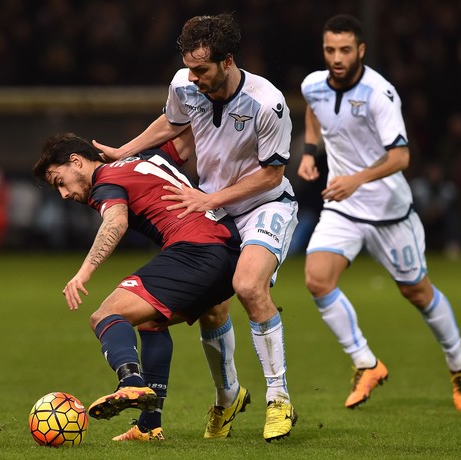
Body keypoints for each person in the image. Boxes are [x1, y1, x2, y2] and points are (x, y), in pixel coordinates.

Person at [93, 13, 298, 441]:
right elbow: (171, 121)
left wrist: (211, 198)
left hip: (264, 205)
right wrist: (123, 152)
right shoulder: (184, 84)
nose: (193, 76)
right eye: (189, 66)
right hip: (214, 205)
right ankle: (228, 399)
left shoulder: (267, 102)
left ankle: (279, 400)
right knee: (210, 304)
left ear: (227, 61)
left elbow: (272, 175)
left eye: (202, 69)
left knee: (247, 285)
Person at [297, 14, 461, 412]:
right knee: (317, 279)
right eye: (330, 50)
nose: (337, 58)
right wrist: (311, 154)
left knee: (416, 290)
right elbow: (313, 113)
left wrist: (357, 179)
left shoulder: (380, 94)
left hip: (389, 211)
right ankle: (366, 362)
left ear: (361, 50)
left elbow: (400, 157)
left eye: (345, 50)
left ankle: (458, 360)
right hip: (343, 207)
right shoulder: (313, 85)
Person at [31, 132, 242, 441]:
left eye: (59, 181)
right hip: (229, 249)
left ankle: (130, 380)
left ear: (76, 162)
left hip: (196, 249)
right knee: (151, 323)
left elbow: (115, 221)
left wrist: (83, 273)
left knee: (105, 316)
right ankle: (148, 425)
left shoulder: (105, 181)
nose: (63, 194)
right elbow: (187, 132)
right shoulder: (145, 157)